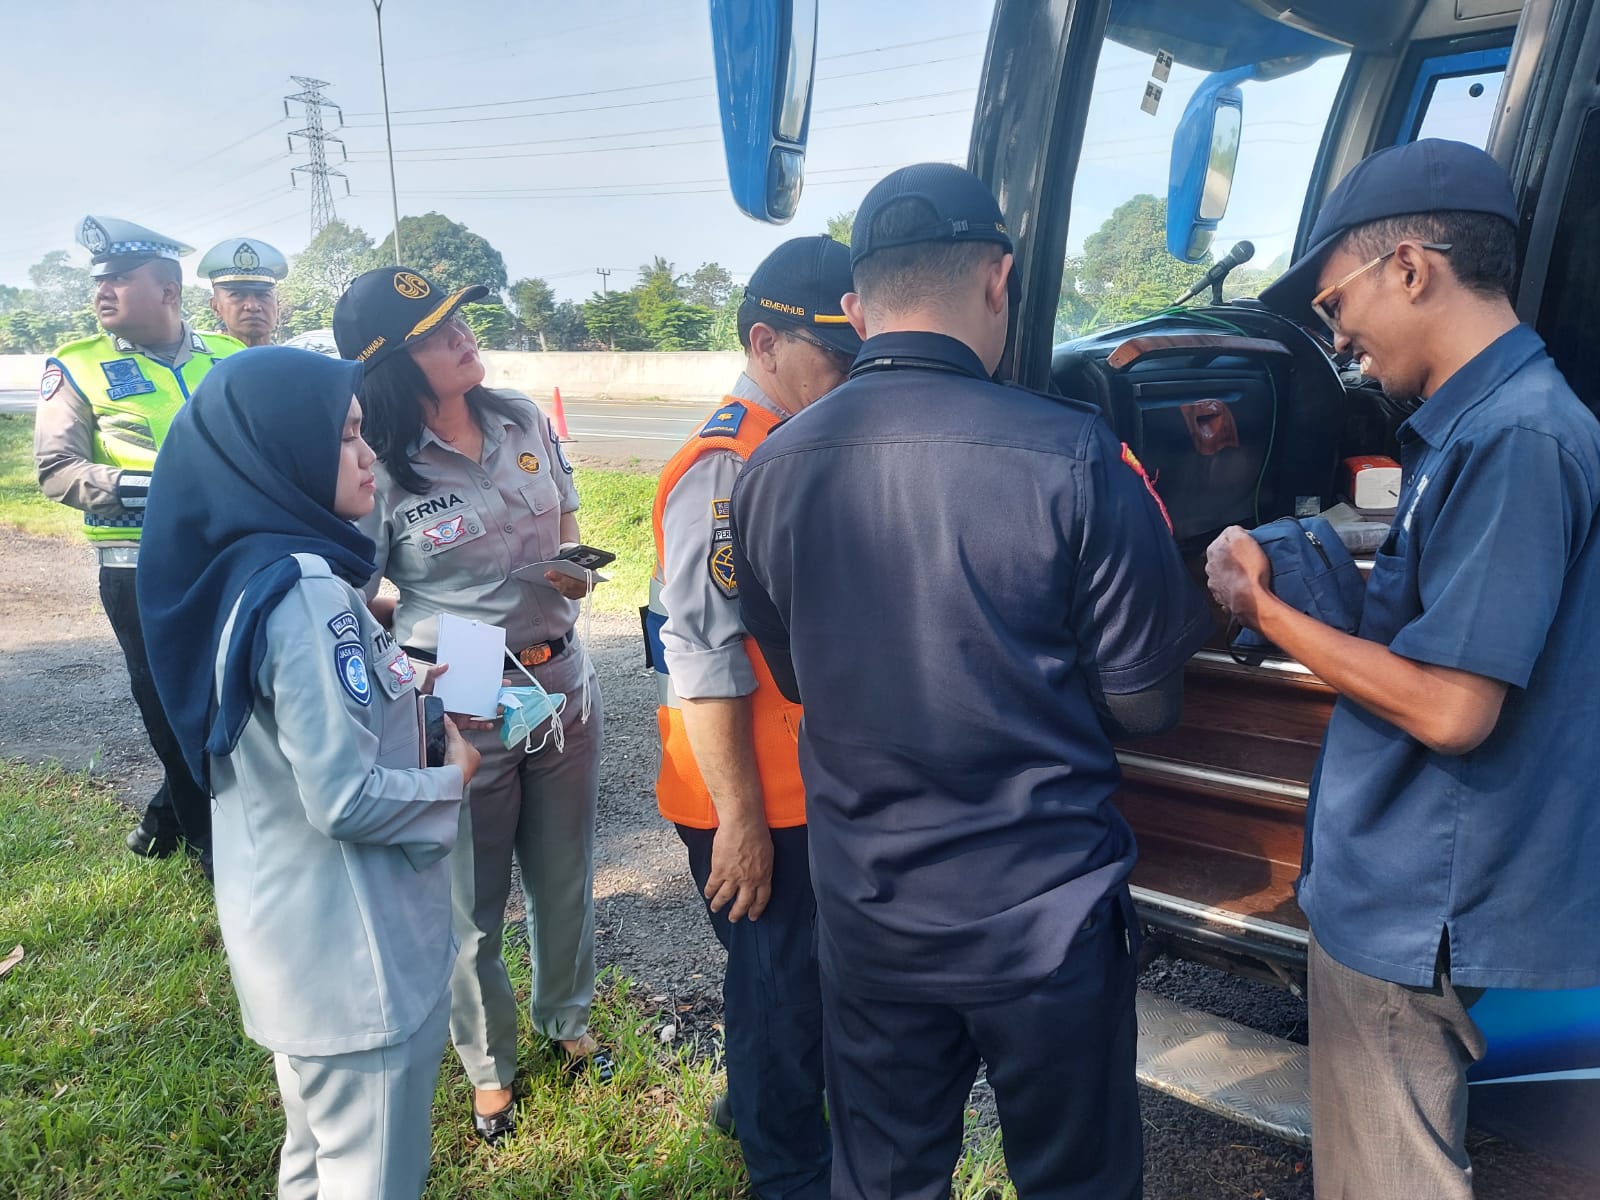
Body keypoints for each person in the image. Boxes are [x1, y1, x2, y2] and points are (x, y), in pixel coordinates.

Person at [729, 163, 1212, 1200]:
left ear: (859, 307)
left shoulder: (766, 471)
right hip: (1044, 920)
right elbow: (1146, 705)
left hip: (870, 915)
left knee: (885, 1180)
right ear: (999, 279)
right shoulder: (1077, 456)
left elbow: (798, 676)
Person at [1207, 138, 1600, 1200]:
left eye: (1335, 303)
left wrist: (1261, 608)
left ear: (1412, 269)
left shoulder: (1515, 440)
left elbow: (1452, 706)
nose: (1337, 337)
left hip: (1421, 893)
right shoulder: (1478, 428)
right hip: (1417, 877)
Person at [136, 347, 476, 1199]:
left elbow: (291, 725)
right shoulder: (307, 593)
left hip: (293, 945)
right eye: (347, 437)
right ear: (280, 449)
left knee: (315, 1159)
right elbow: (345, 797)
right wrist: (455, 777)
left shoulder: (239, 568)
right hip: (357, 959)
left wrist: (401, 682)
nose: (368, 458)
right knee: (372, 1174)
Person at [333, 266, 610, 1144]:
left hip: (559, 676)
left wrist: (571, 570)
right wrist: (423, 649)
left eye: (460, 319)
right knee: (470, 901)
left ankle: (568, 1022)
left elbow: (567, 519)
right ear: (389, 363)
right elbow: (351, 597)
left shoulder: (519, 416)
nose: (463, 337)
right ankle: (491, 1069)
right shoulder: (380, 465)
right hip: (462, 688)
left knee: (565, 874)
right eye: (435, 333)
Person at [647, 235, 859, 1199]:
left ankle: (756, 1103)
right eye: (836, 356)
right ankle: (788, 1173)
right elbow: (703, 655)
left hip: (797, 780)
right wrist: (742, 822)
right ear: (765, 343)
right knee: (780, 997)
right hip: (752, 794)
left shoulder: (800, 441)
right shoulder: (726, 466)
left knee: (790, 982)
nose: (852, 376)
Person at [34, 215, 243, 866]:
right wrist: (155, 487)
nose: (103, 291)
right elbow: (56, 470)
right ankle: (213, 851)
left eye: (121, 279)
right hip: (141, 567)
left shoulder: (229, 357)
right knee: (173, 708)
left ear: (169, 291)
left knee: (241, 692)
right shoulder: (77, 365)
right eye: (99, 281)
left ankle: (163, 822)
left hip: (233, 559)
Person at [198, 237, 287, 347]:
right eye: (237, 294)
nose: (253, 306)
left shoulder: (295, 358)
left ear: (277, 306)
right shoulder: (199, 358)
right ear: (215, 307)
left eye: (263, 295)